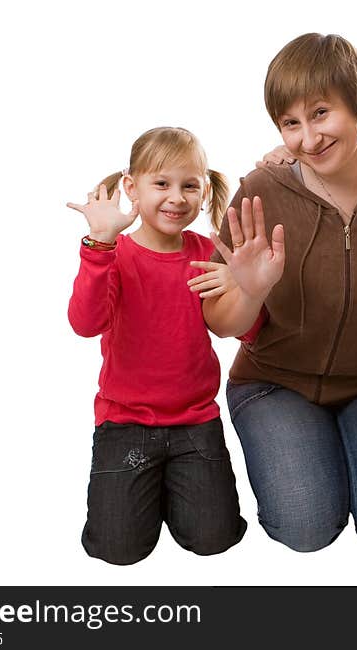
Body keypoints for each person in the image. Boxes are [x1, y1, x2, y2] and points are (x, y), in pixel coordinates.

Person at [203, 33, 357, 556]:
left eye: (320, 113)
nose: (308, 138)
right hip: (275, 382)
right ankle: (314, 451)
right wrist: (251, 288)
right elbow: (222, 322)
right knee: (305, 529)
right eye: (290, 123)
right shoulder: (261, 192)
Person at [67, 126, 247, 565]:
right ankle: (146, 494)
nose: (176, 197)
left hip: (195, 421)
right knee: (117, 550)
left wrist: (241, 282)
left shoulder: (209, 252)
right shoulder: (114, 253)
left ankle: (174, 490)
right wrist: (99, 245)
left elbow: (244, 327)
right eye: (161, 184)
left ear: (204, 192)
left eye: (190, 185)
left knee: (214, 539)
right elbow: (84, 323)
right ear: (132, 187)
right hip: (125, 422)